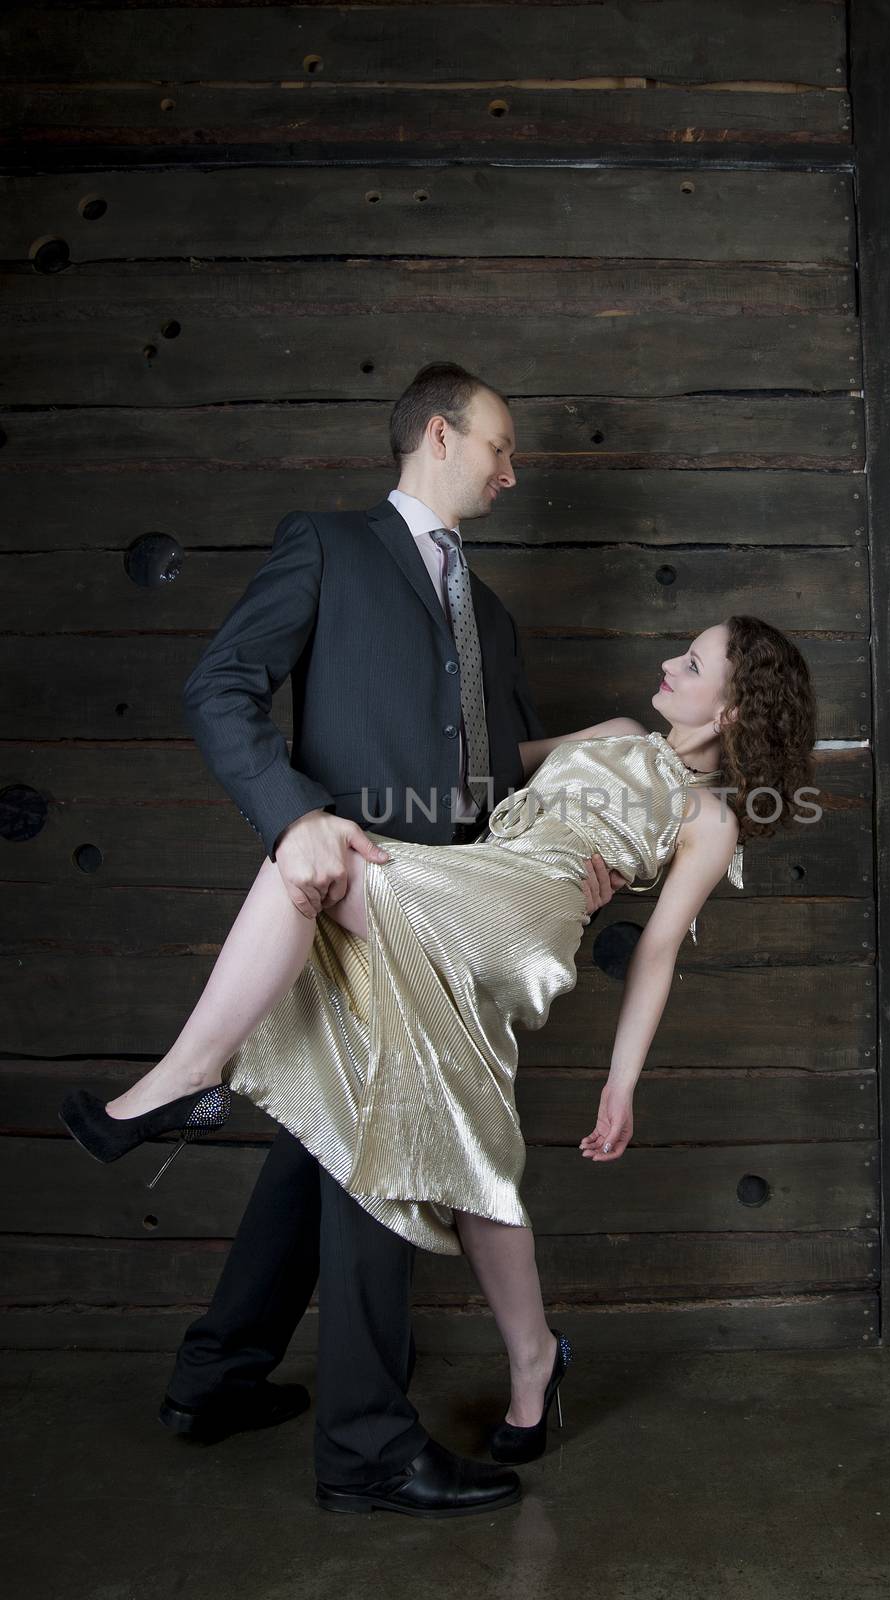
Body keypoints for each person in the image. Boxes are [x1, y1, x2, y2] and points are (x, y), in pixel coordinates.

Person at [61, 610, 818, 1493]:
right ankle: (533, 1357)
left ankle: (190, 1077)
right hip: (473, 888)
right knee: (471, 1139)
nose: (667, 663)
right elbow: (485, 771)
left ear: (731, 711)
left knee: (313, 860)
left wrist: (622, 1085)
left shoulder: (708, 819)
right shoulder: (615, 732)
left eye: (691, 663)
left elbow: (654, 956)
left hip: (522, 916)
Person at [61, 361, 627, 1520]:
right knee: (387, 1147)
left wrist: (590, 824)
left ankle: (213, 1379)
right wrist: (294, 816)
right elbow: (220, 687)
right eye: (500, 449)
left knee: (320, 1143)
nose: (512, 474)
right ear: (438, 433)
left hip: (454, 917)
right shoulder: (326, 545)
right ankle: (367, 1446)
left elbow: (502, 779)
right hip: (349, 898)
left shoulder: (498, 617)